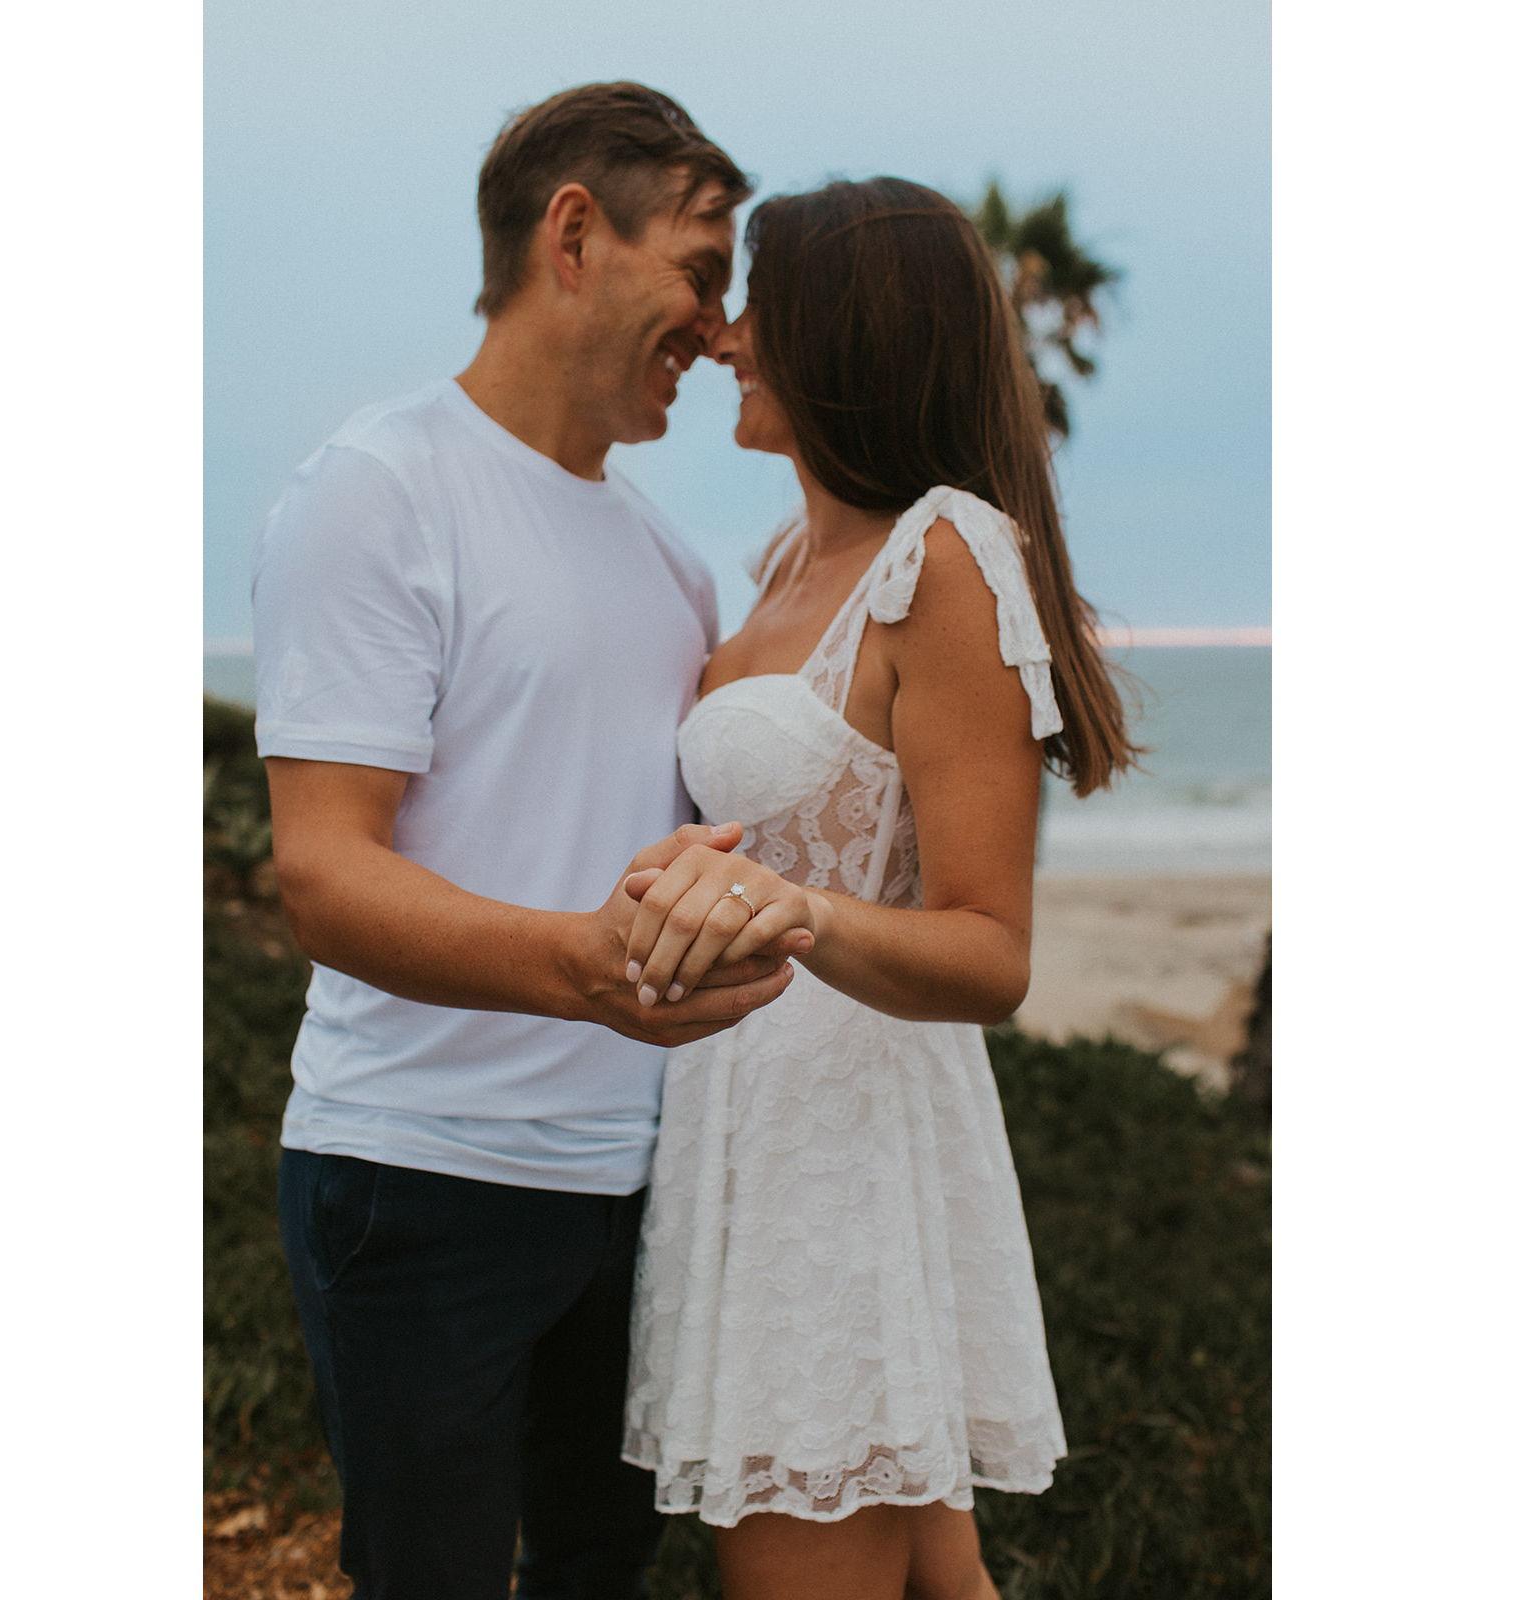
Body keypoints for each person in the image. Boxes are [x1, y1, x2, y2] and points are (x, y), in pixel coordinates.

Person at [250, 83, 807, 1600]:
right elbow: (326, 870)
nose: (719, 322)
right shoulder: (378, 492)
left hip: (636, 1189)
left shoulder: (668, 562)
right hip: (418, 1175)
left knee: (596, 1576)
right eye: (702, 267)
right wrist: (583, 970)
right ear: (576, 233)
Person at [619, 178, 1140, 1600]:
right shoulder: (788, 558)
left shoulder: (946, 557)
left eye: (755, 311)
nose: (724, 338)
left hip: (844, 1151)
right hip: (749, 1119)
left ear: (844, 336)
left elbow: (989, 948)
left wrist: (798, 911)